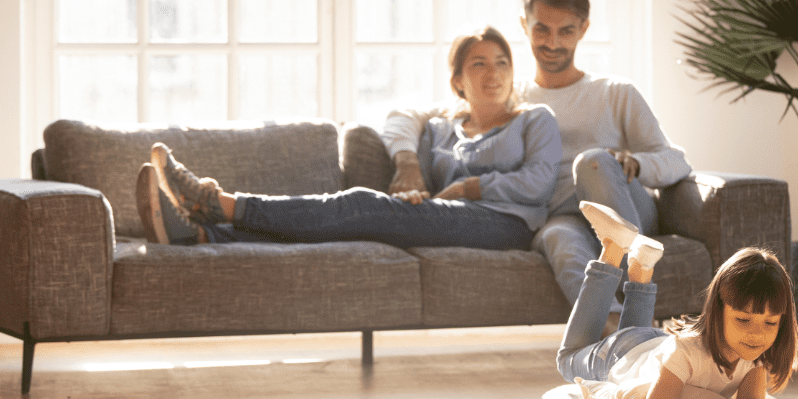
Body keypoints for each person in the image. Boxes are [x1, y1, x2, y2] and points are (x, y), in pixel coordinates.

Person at [382, 0, 692, 323]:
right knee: (558, 237)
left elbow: (676, 161)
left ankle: (640, 281)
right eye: (542, 29)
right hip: (565, 215)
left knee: (592, 163)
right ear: (524, 26)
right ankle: (619, 334)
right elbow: (407, 115)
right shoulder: (511, 97)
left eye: (567, 31)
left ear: (584, 29)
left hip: (621, 205)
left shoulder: (615, 92)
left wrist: (634, 162)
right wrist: (407, 162)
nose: (553, 42)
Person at [135, 26, 562, 251]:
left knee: (361, 204)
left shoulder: (534, 120)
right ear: (457, 80)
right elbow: (401, 123)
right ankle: (202, 236)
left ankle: (220, 205)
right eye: (480, 64)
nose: (494, 74)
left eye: (503, 63)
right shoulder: (438, 130)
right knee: (350, 225)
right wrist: (412, 178)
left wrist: (471, 187)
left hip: (506, 224)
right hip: (447, 217)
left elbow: (538, 183)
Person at [560, 201, 798, 399]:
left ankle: (641, 267)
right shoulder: (687, 352)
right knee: (567, 361)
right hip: (618, 355)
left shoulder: (754, 352)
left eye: (770, 323)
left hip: (650, 344)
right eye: (743, 319)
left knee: (635, 339)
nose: (757, 334)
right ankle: (613, 249)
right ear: (717, 311)